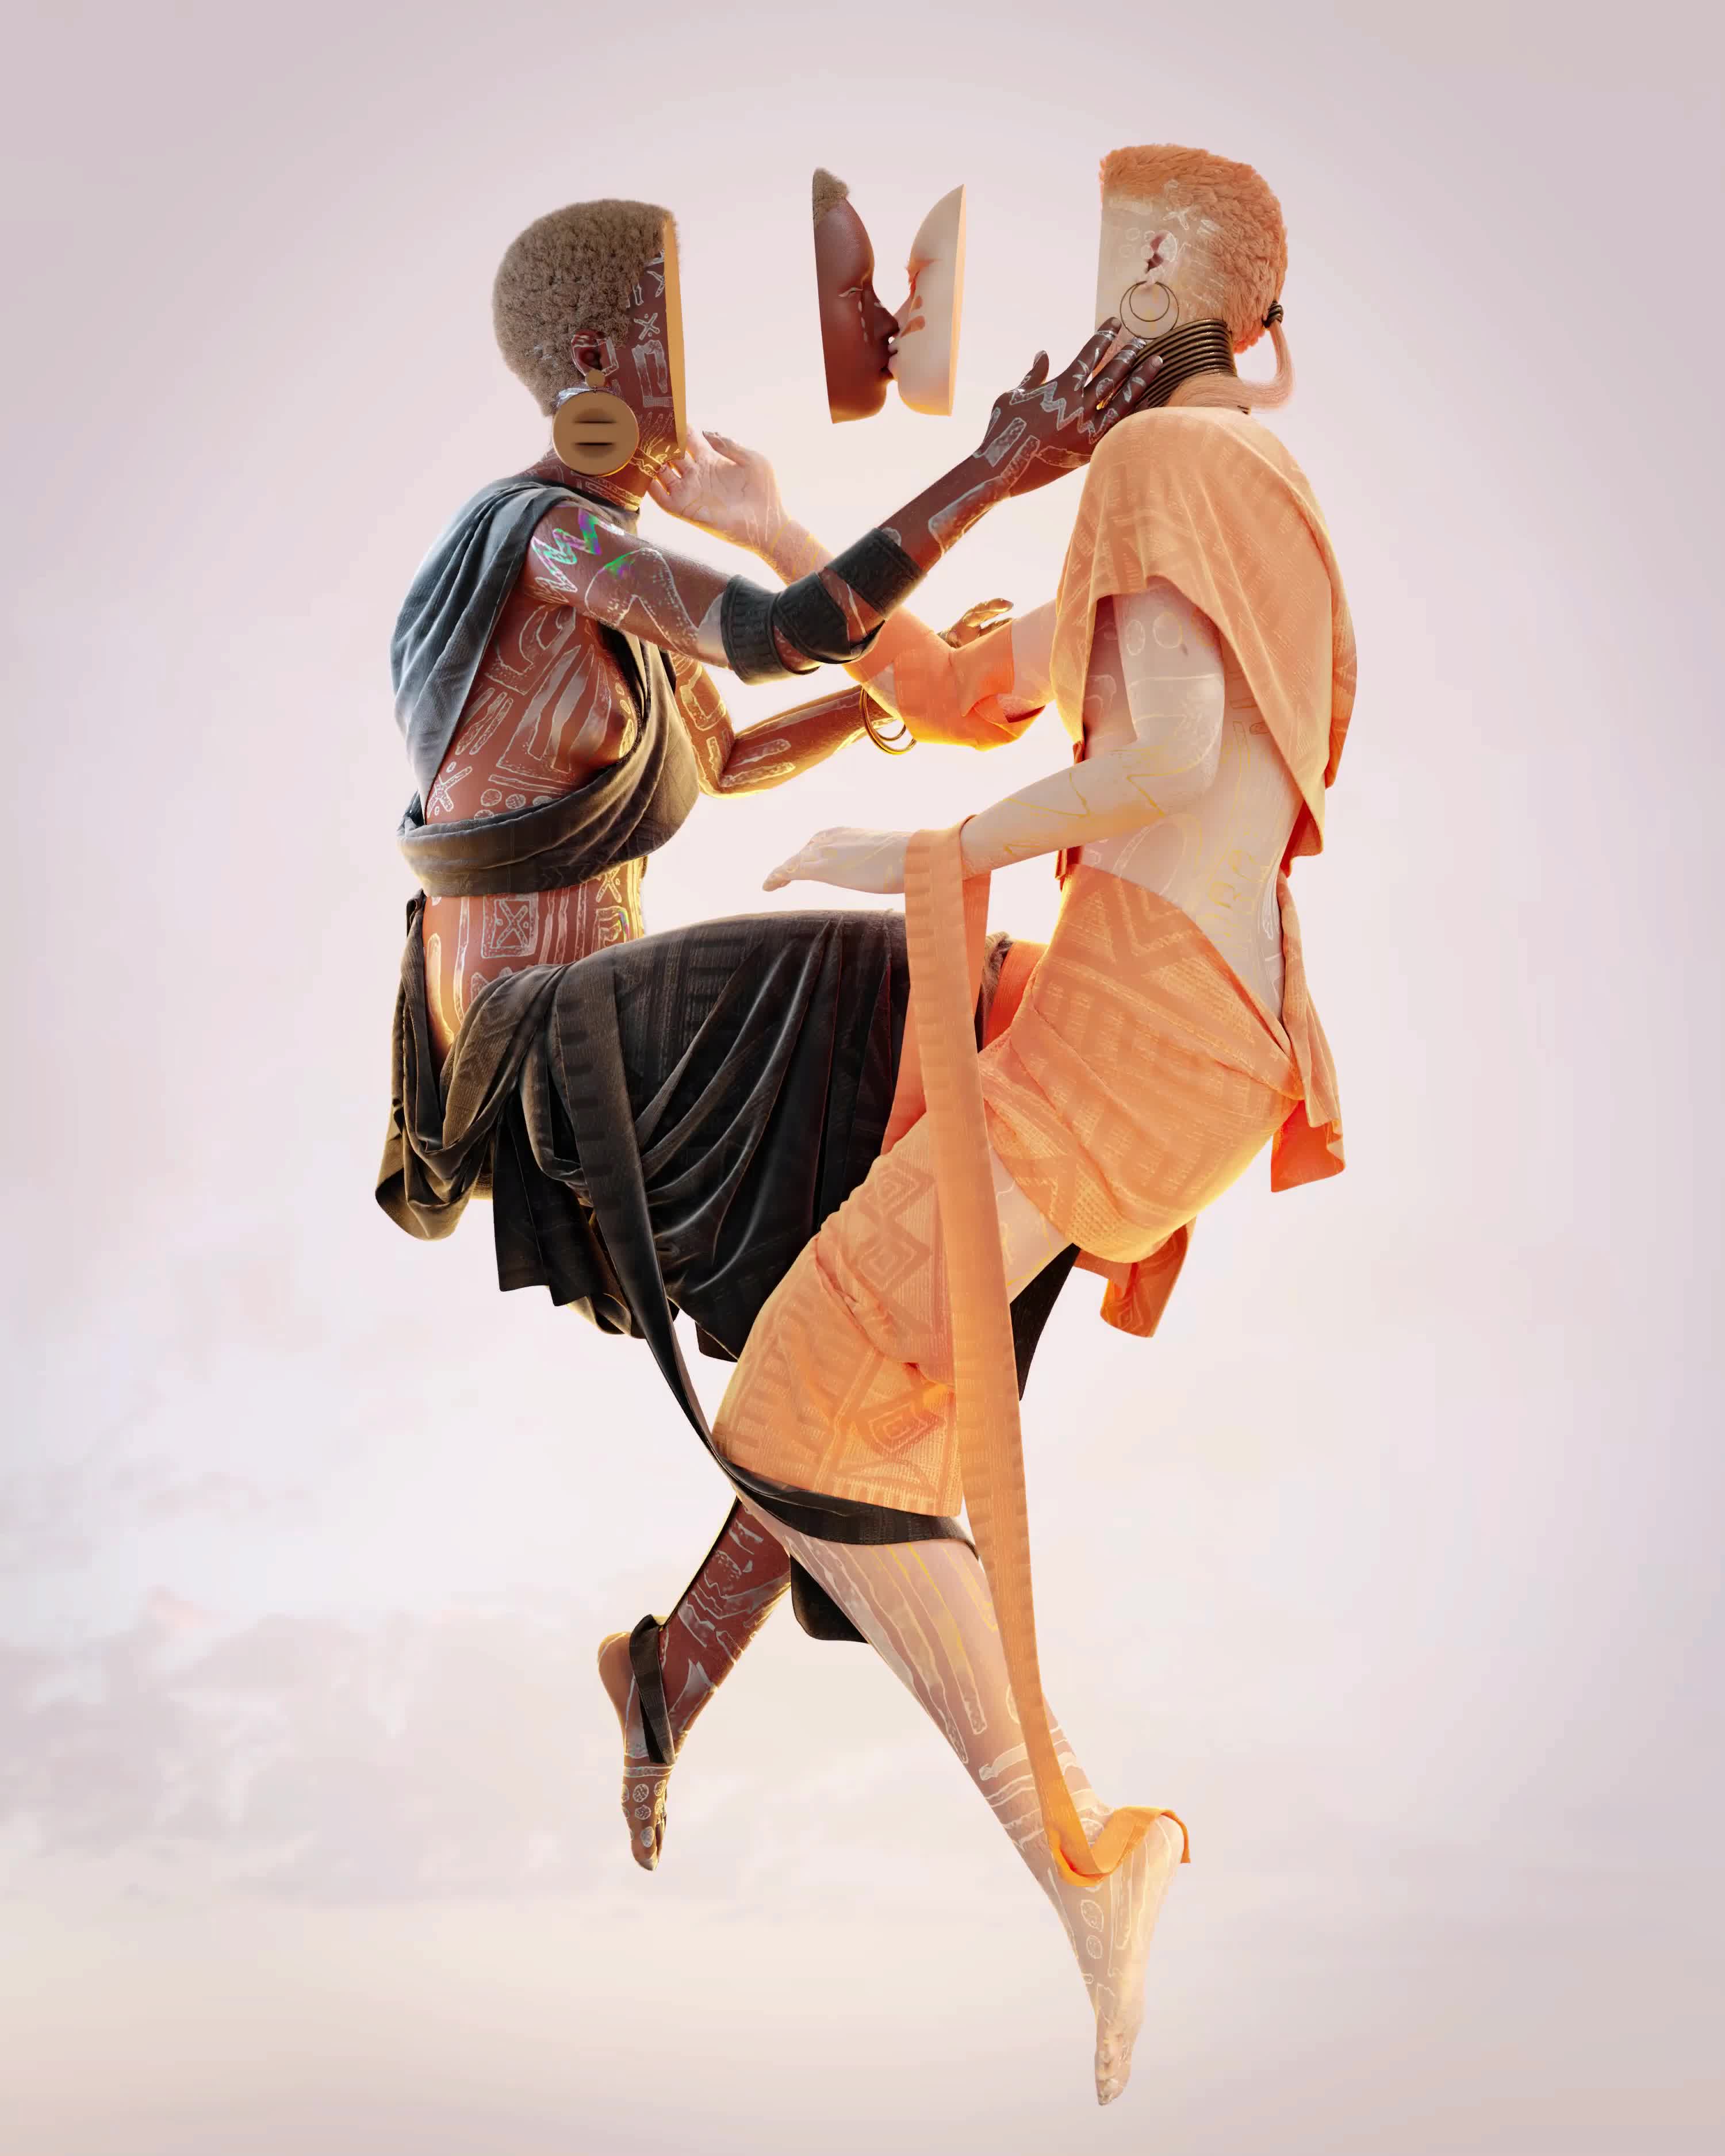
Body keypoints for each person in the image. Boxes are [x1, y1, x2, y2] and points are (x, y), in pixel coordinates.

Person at [652, 144, 1355, 2106]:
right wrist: (779, 526)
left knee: (797, 1405)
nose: (1086, 316)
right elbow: (978, 686)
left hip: (1138, 1036)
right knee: (846, 1395)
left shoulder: (1174, 464)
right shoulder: (1233, 481)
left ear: (1164, 276)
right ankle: (1070, 1843)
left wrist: (928, 859)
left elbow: (1168, 758)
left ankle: (1087, 1856)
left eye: (1117, 271)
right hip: (1174, 1033)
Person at [373, 197, 1166, 1868]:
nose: (689, 374)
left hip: (609, 1030)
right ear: (602, 356)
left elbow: (727, 746)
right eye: (668, 334)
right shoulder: (551, 540)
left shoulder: (590, 569)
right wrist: (998, 466)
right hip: (552, 1043)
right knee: (962, 1003)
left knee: (872, 1292)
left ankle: (675, 1668)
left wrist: (897, 698)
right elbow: (769, 629)